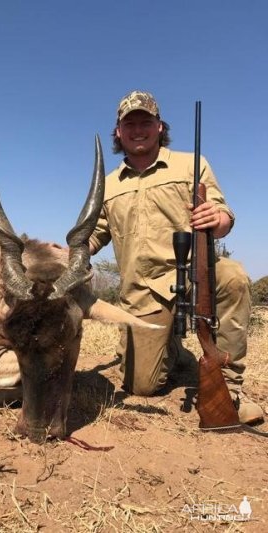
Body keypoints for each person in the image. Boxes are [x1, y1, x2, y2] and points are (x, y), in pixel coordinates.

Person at [89, 90, 264, 425]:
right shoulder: (107, 184)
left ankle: (231, 387)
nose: (138, 129)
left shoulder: (191, 164)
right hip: (143, 290)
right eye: (130, 124)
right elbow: (96, 232)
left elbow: (224, 216)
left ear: (159, 127)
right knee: (141, 386)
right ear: (118, 132)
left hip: (193, 277)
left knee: (232, 275)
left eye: (146, 122)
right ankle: (175, 351)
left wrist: (218, 219)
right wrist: (70, 251)